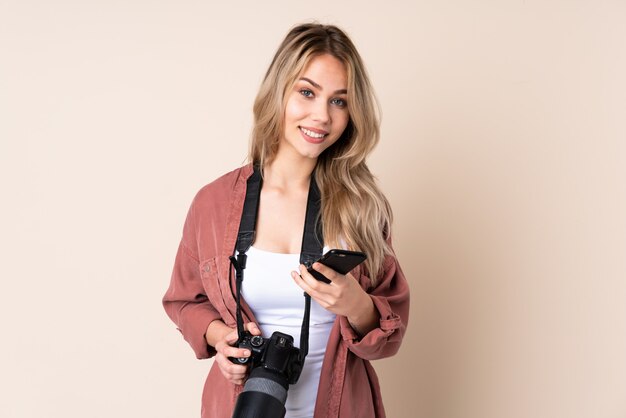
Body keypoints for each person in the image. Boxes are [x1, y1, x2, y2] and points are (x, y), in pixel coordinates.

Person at [163, 23, 410, 418]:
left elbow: (390, 332)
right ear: (278, 91)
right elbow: (184, 300)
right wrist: (222, 338)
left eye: (339, 101)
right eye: (307, 92)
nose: (322, 116)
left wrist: (356, 304)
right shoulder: (213, 203)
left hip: (340, 406)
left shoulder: (362, 206)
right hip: (240, 405)